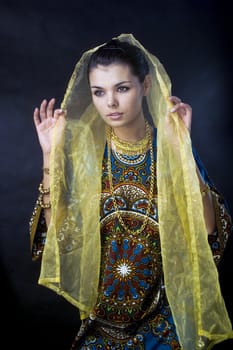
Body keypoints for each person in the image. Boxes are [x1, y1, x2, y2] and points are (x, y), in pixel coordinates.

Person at [29, 33, 233, 349]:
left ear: (146, 86)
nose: (110, 103)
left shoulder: (169, 151)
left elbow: (210, 231)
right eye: (99, 92)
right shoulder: (88, 156)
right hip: (102, 326)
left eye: (122, 88)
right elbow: (63, 240)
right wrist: (49, 156)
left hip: (164, 323)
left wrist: (183, 152)